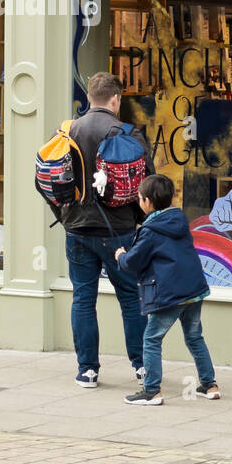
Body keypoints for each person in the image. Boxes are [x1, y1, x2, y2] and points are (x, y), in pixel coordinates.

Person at [53, 71, 154, 389]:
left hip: (78, 228)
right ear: (115, 99)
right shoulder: (127, 132)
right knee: (130, 298)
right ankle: (141, 366)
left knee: (83, 298)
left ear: (89, 98)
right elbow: (148, 181)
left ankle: (87, 370)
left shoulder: (69, 131)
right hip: (119, 229)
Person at [114, 174, 218, 406]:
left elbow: (132, 263)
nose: (139, 202)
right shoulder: (179, 220)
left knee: (151, 338)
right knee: (194, 337)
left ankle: (151, 391)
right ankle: (209, 385)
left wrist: (120, 256)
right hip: (194, 289)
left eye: (140, 198)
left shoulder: (151, 230)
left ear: (148, 202)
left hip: (171, 294)